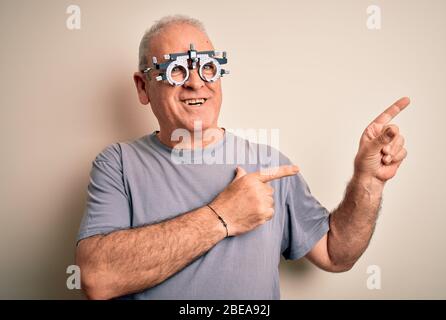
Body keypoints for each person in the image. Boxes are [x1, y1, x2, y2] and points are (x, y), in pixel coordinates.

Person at [75, 15, 409, 300]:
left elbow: (337, 255)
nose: (195, 83)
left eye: (206, 67)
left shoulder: (269, 164)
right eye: (176, 71)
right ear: (143, 86)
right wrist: (222, 216)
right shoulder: (118, 164)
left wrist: (369, 180)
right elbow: (97, 279)